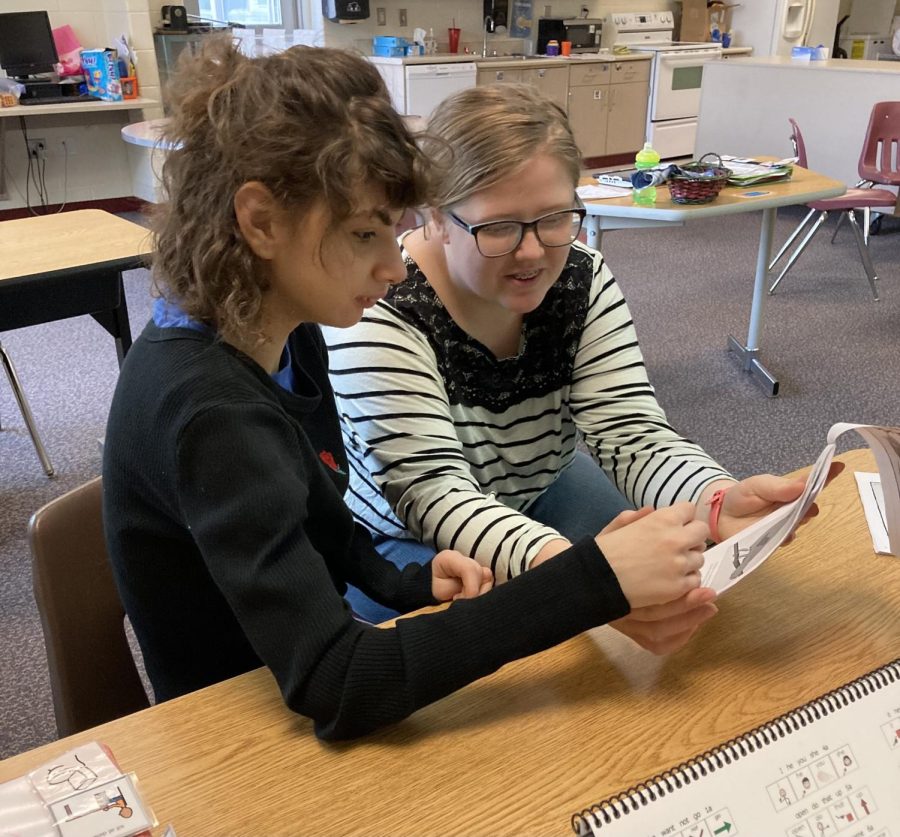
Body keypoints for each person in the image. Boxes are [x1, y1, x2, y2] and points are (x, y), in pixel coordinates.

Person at [102, 38, 713, 742]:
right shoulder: (209, 409)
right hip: (236, 729)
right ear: (261, 221)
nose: (395, 267)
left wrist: (404, 585)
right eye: (366, 234)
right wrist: (588, 584)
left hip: (290, 659)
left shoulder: (282, 329)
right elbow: (338, 680)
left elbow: (317, 515)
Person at [323, 83, 828, 638]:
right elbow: (431, 491)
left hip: (544, 483)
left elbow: (630, 432)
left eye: (556, 218)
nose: (535, 252)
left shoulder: (579, 277)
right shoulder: (381, 309)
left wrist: (716, 500)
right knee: (502, 671)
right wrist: (579, 580)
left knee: (680, 589)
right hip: (409, 533)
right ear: (438, 218)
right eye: (499, 227)